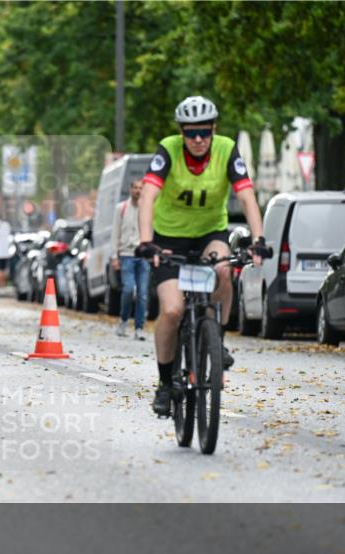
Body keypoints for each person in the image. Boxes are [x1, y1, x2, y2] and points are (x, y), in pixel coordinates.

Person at [135, 96, 267, 417]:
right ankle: (165, 384)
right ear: (181, 132)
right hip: (169, 238)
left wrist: (259, 240)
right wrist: (146, 241)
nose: (198, 139)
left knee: (223, 270)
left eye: (204, 132)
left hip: (210, 233)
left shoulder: (226, 149)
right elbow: (148, 195)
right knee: (172, 310)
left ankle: (215, 339)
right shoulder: (168, 150)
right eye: (190, 133)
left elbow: (246, 196)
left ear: (213, 129)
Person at [112, 179, 149, 340]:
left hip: (143, 257)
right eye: (135, 187)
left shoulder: (147, 209)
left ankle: (139, 327)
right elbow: (115, 233)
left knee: (142, 294)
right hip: (126, 255)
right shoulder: (121, 208)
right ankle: (123, 320)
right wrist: (114, 256)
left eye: (140, 188)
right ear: (130, 189)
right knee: (128, 289)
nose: (138, 191)